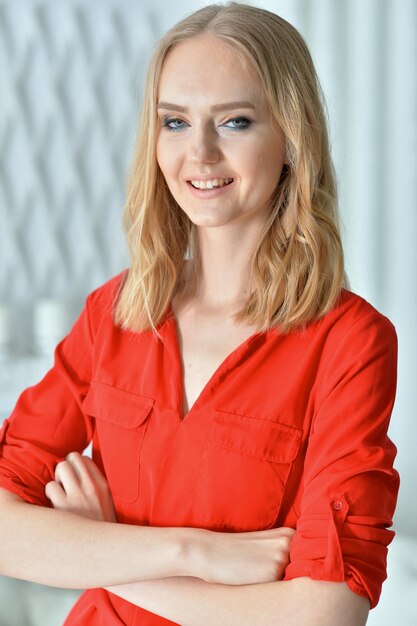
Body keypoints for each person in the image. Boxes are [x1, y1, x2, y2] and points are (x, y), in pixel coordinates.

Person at [0, 2, 399, 625]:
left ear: (292, 136)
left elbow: (325, 615)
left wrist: (102, 550)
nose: (201, 152)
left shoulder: (351, 341)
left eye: (235, 121)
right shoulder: (114, 312)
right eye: (176, 122)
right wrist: (195, 553)